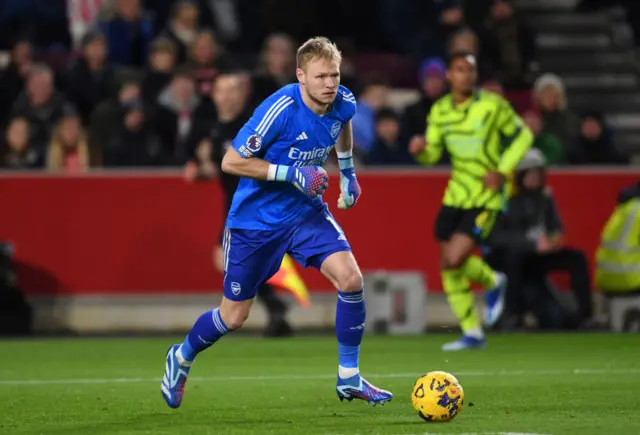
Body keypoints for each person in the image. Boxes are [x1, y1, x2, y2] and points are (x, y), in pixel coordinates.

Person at [161, 37, 393, 408]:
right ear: (300, 76)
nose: (330, 84)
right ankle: (182, 356)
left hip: (304, 213)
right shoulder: (280, 108)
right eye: (320, 77)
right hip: (256, 221)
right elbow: (231, 162)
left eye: (334, 75)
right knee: (234, 316)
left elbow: (343, 123)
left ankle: (349, 377)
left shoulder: (343, 100)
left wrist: (348, 172)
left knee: (351, 279)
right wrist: (293, 174)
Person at [409, 51, 533, 351]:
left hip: (485, 197)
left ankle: (492, 280)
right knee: (448, 265)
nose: (466, 75)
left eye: (471, 70)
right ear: (450, 75)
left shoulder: (493, 106)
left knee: (454, 258)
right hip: (455, 195)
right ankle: (473, 333)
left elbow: (523, 135)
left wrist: (503, 171)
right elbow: (433, 155)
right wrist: (420, 150)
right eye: (460, 69)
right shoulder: (440, 110)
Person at [184, 71, 294, 337]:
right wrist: (199, 169)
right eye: (219, 90)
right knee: (231, 260)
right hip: (232, 203)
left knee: (228, 258)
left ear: (238, 94)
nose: (223, 96)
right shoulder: (216, 128)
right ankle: (274, 308)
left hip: (251, 203)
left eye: (228, 90)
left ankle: (268, 309)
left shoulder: (250, 126)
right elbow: (220, 165)